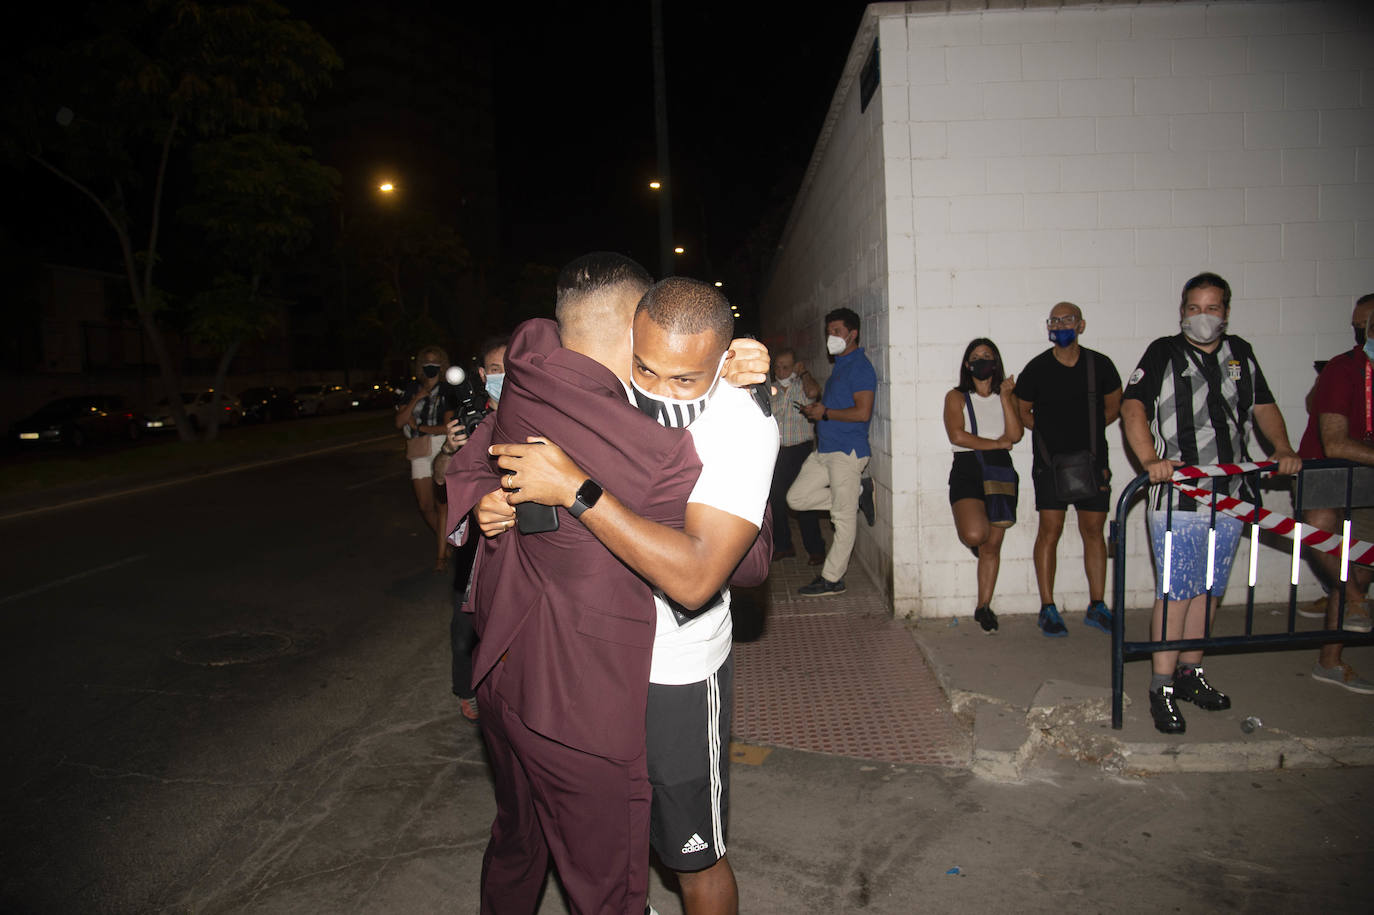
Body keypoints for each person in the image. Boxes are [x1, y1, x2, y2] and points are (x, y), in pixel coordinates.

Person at [443, 255, 772, 915]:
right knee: (548, 843)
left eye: (681, 373)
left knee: (693, 853)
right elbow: (481, 447)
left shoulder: (728, 419)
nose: (659, 386)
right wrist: (481, 503)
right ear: (633, 333)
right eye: (647, 365)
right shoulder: (546, 365)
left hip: (675, 674)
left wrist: (745, 382)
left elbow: (738, 563)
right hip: (570, 677)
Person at [1121, 272, 1302, 735]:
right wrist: (1149, 460)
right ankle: (1160, 685)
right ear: (1182, 310)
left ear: (1226, 311)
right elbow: (1133, 407)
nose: (1203, 317)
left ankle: (1190, 672)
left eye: (1213, 308)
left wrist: (1281, 447)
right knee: (1176, 590)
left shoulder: (1239, 352)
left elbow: (1262, 405)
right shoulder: (1163, 352)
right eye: (1194, 308)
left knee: (1208, 590)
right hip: (1180, 494)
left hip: (1232, 495)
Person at [1015, 302, 1123, 638]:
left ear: (1081, 325)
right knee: (1050, 530)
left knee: (1094, 531)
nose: (1061, 325)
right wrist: (1052, 437)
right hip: (1050, 466)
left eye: (1068, 319)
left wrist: (1082, 437)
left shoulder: (1099, 365)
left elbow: (1114, 408)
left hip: (1092, 464)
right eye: (1055, 320)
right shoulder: (1037, 368)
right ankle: (1048, 607)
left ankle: (1097, 605)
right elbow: (1023, 413)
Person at [1296, 295, 1374, 693]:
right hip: (1324, 469)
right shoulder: (1344, 370)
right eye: (1359, 327)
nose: (1361, 334)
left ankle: (1330, 660)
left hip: (1367, 477)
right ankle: (1355, 597)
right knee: (1321, 531)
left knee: (1358, 568)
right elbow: (1335, 443)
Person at [434, 333, 509, 723]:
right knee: (465, 628)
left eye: (510, 369)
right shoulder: (468, 417)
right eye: (495, 370)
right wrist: (449, 450)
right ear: (482, 374)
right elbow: (438, 480)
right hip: (474, 547)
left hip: (516, 545)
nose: (502, 377)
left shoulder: (532, 416)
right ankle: (467, 690)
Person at [786, 307, 877, 595]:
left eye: (836, 331)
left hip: (846, 452)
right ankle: (856, 496)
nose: (831, 337)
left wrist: (826, 413)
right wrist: (820, 412)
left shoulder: (860, 367)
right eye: (829, 332)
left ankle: (832, 579)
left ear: (853, 334)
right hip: (825, 450)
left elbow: (862, 413)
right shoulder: (841, 365)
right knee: (796, 498)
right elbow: (836, 409)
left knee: (842, 519)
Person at [944, 338, 1023, 633]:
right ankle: (980, 549)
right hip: (967, 468)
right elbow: (958, 436)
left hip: (1000, 470)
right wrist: (995, 443)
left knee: (994, 545)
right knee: (975, 533)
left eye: (987, 356)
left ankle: (983, 606)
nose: (981, 360)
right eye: (975, 357)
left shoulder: (1006, 395)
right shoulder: (957, 397)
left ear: (996, 361)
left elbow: (1014, 436)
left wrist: (1005, 398)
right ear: (967, 364)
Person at [394, 344, 454, 571]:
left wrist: (420, 427)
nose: (430, 367)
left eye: (435, 362)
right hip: (418, 448)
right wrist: (417, 398)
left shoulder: (448, 390)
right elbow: (399, 422)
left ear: (442, 365)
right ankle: (446, 539)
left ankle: (441, 556)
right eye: (426, 362)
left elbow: (446, 427)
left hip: (441, 447)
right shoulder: (412, 388)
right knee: (425, 505)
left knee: (442, 504)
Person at [767, 348, 825, 562]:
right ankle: (783, 545)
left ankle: (816, 548)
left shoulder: (802, 387)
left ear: (795, 367)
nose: (781, 371)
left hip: (800, 450)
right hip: (778, 451)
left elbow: (814, 393)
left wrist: (803, 373)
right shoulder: (770, 389)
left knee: (804, 499)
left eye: (786, 367)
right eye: (778, 367)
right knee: (776, 500)